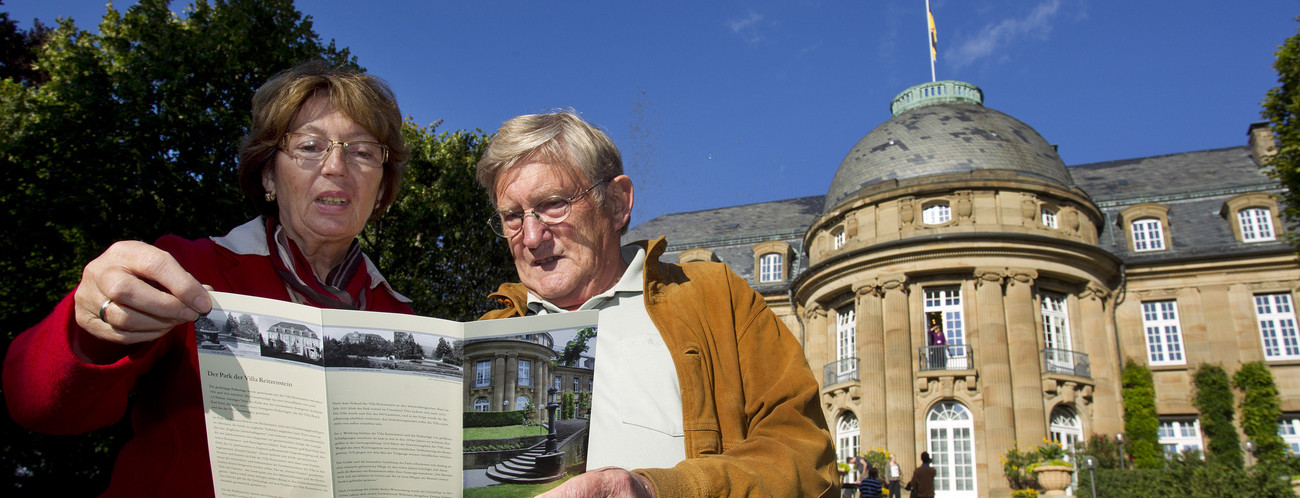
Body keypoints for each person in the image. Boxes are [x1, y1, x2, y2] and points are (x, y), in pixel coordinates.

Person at [3, 61, 414, 497]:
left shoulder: (404, 318)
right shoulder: (186, 268)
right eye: (309, 146)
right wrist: (90, 329)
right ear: (269, 174)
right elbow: (40, 407)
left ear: (382, 187)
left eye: (363, 151)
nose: (336, 165)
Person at [476, 111, 838, 497]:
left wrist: (657, 491)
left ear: (616, 203)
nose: (530, 236)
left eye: (552, 205)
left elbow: (805, 456)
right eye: (512, 217)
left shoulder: (715, 298)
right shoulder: (488, 328)